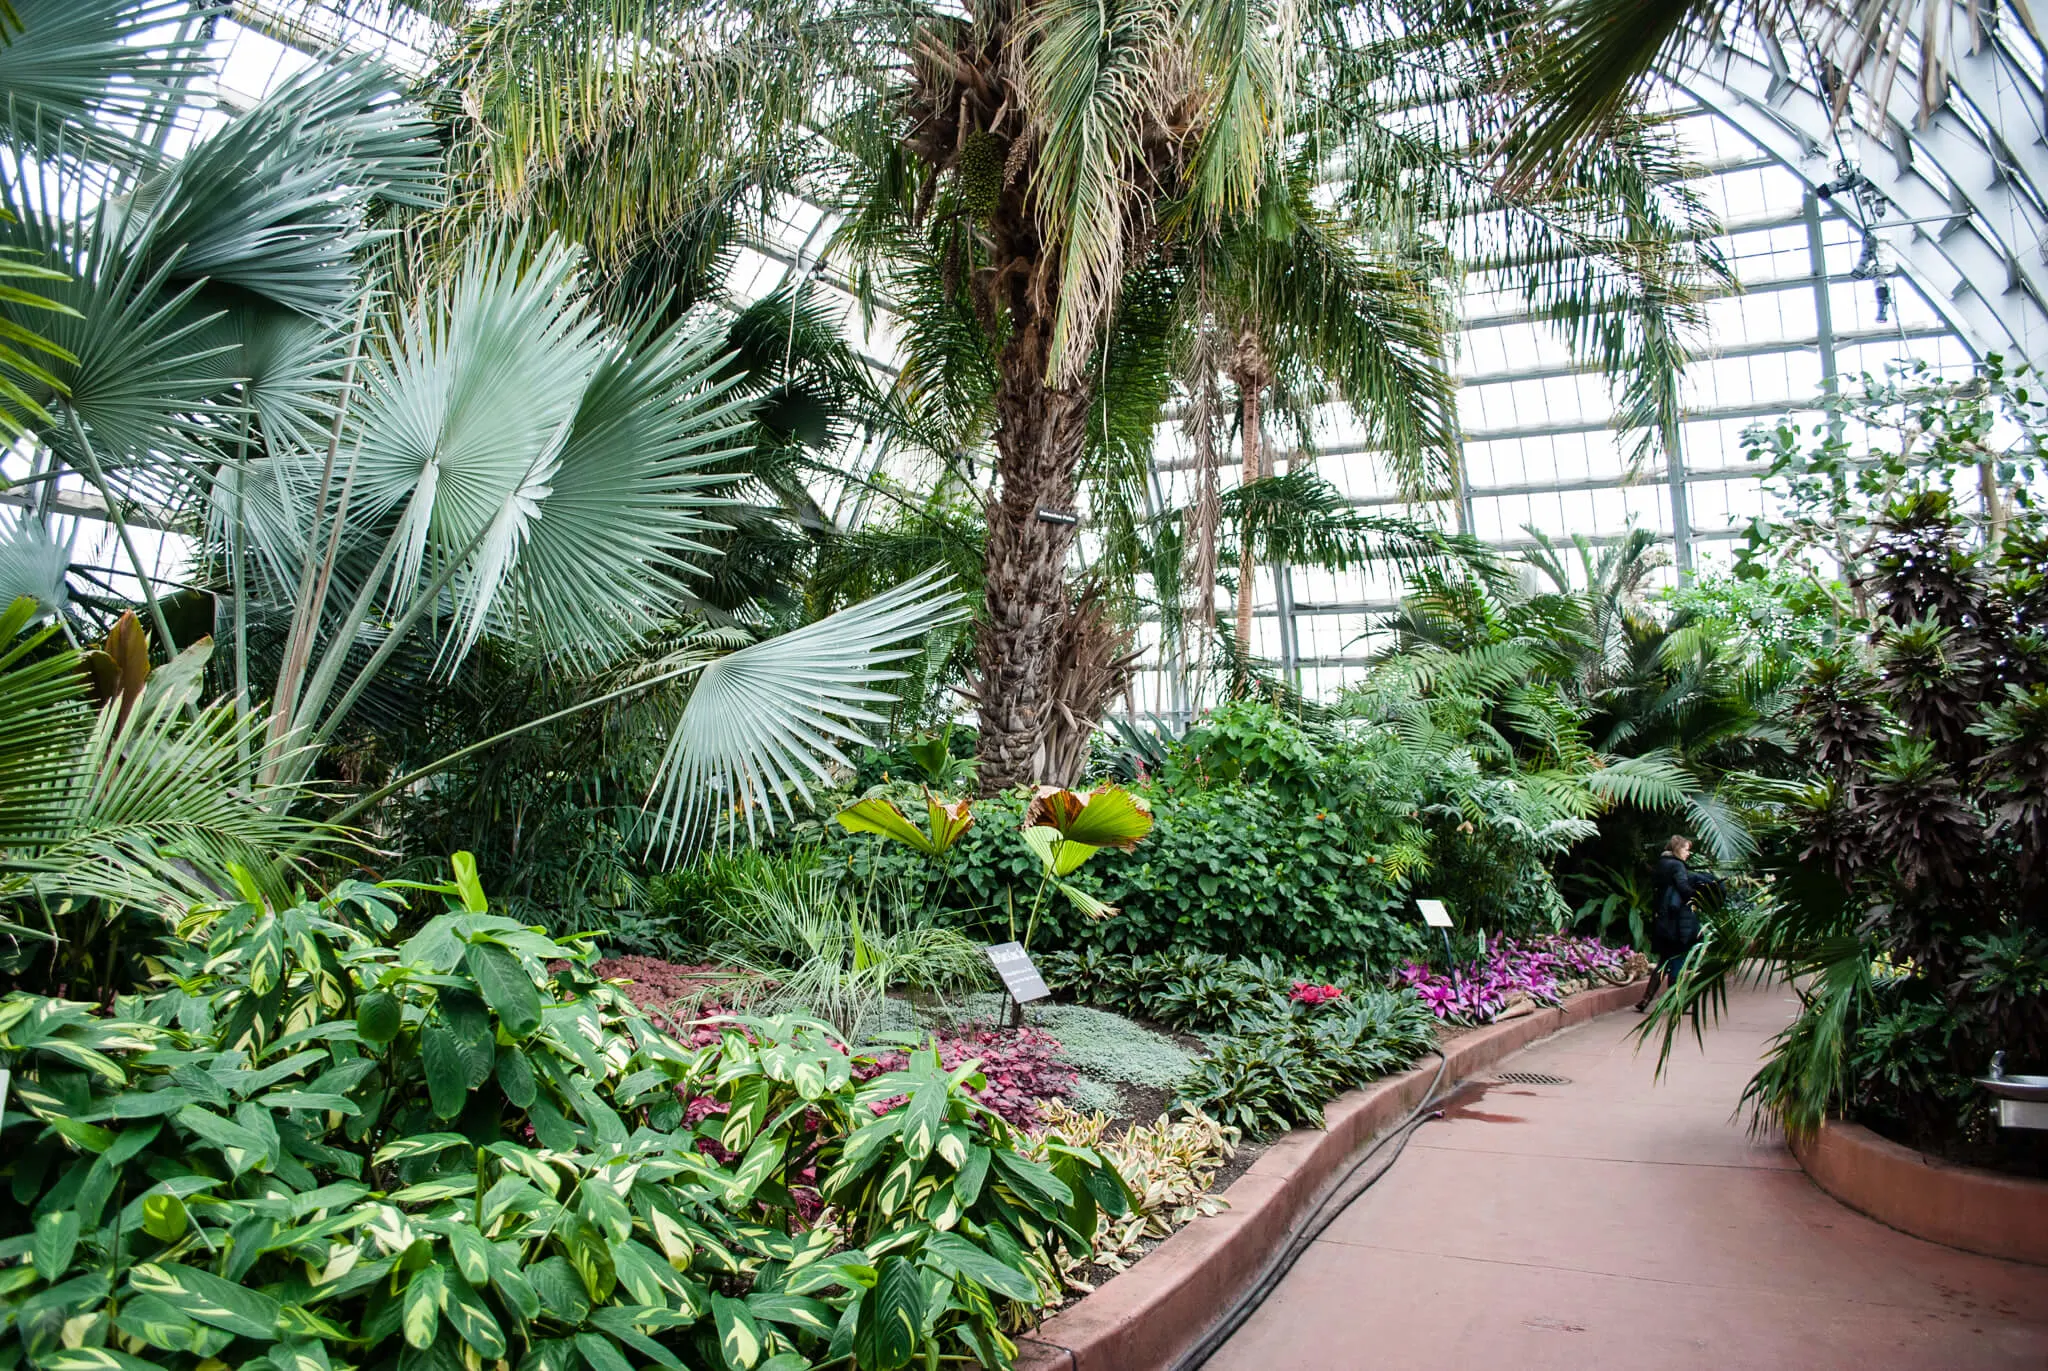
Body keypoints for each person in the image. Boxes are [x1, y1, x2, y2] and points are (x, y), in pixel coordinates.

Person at [1636, 835, 1721, 1012]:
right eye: (1686, 849)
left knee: (1664, 961)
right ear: (1676, 849)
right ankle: (1675, 1003)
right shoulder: (1677, 866)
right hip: (1678, 920)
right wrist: (1700, 895)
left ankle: (1646, 998)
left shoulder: (1662, 864)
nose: (1688, 854)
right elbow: (1683, 888)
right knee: (1678, 961)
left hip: (1662, 919)